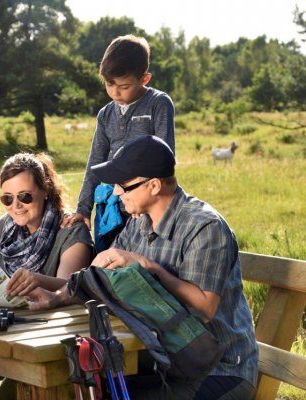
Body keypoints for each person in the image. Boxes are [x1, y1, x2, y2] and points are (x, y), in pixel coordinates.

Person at [30, 136, 258, 399]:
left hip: (218, 370)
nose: (116, 192)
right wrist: (56, 297)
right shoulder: (139, 221)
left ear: (153, 185)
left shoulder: (204, 227)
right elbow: (100, 275)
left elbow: (204, 308)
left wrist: (147, 267)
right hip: (163, 364)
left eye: (124, 186)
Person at [0, 152, 94, 400]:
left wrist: (37, 279)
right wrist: (0, 281)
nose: (16, 205)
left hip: (48, 337)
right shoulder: (7, 225)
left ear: (45, 190)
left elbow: (70, 286)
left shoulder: (70, 229)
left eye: (24, 196)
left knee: (11, 392)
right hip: (8, 330)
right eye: (7, 198)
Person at [63, 34, 176, 251]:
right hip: (111, 203)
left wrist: (154, 206)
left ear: (144, 79)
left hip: (145, 205)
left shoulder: (158, 104)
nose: (115, 92)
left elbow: (165, 159)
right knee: (108, 258)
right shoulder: (106, 114)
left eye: (124, 86)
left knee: (141, 260)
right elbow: (95, 161)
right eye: (109, 84)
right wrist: (84, 208)